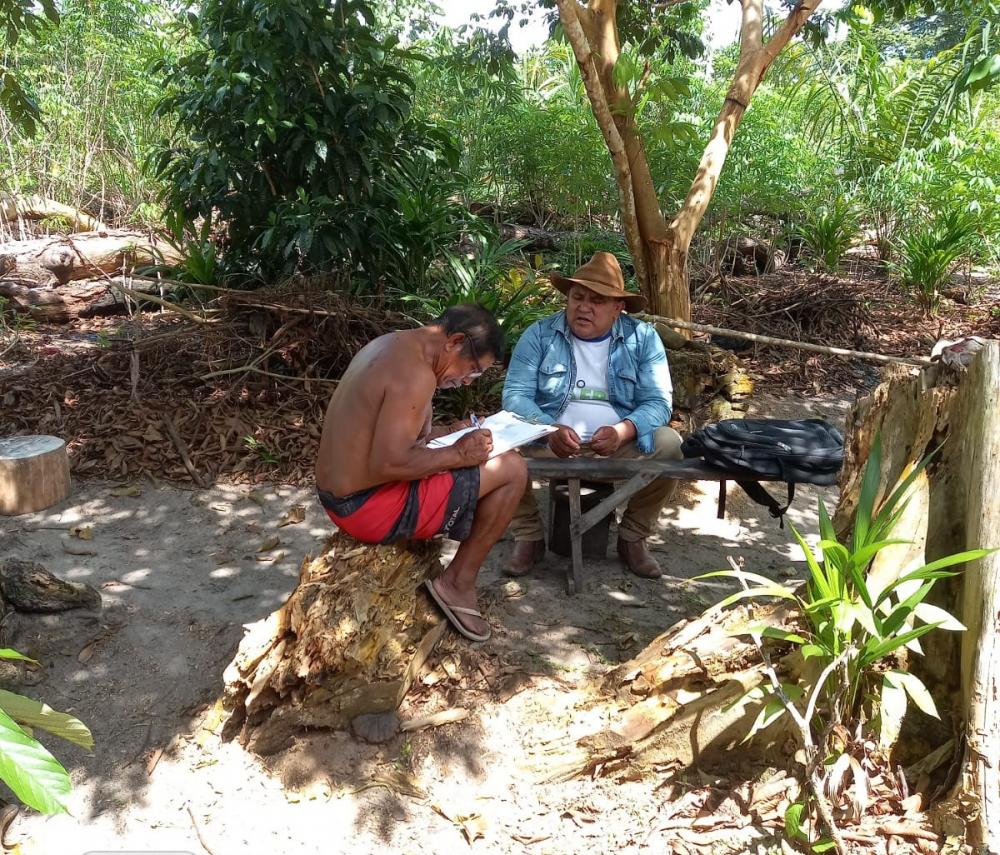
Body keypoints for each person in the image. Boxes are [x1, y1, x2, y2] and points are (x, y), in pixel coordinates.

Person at [316, 304, 527, 642]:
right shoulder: (416, 375)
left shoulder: (391, 344)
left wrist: (448, 432)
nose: (465, 383)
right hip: (364, 509)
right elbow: (389, 464)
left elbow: (391, 435)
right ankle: (457, 584)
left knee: (499, 460)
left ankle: (456, 579)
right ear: (455, 341)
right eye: (471, 370)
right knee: (513, 469)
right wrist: (458, 453)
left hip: (338, 497)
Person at [502, 251, 683, 579]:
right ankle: (528, 536)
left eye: (597, 300)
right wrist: (547, 429)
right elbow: (515, 397)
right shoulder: (540, 335)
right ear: (567, 299)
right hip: (550, 443)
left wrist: (623, 431)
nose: (584, 306)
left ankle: (633, 538)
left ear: (618, 308)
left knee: (670, 445)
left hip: (618, 444)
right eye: (578, 297)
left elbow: (658, 403)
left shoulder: (642, 339)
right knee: (499, 442)